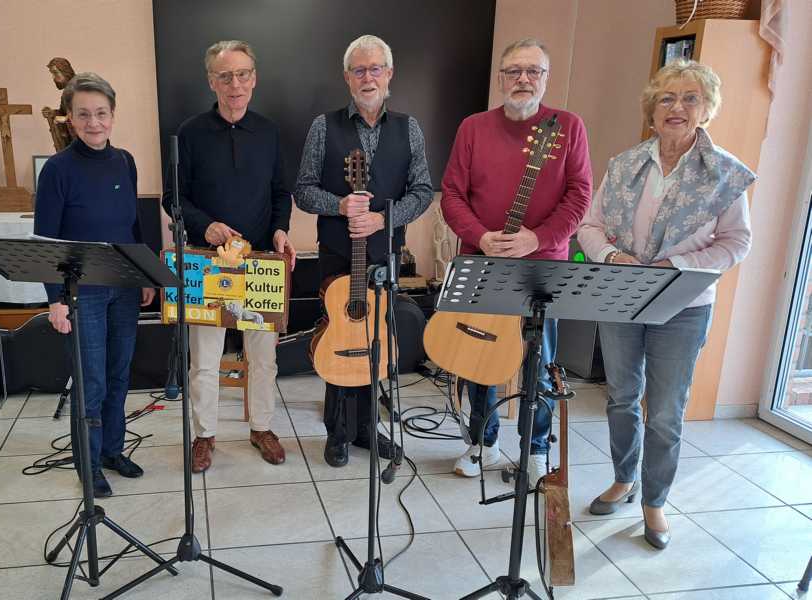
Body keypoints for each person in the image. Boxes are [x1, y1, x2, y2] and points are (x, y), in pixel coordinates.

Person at [577, 59, 754, 549]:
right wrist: (612, 256)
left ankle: (654, 501)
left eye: (690, 98)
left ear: (707, 109)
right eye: (666, 98)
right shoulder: (624, 165)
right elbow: (589, 227)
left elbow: (736, 242)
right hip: (621, 296)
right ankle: (623, 479)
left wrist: (675, 265)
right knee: (621, 396)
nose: (677, 107)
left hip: (684, 305)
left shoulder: (724, 174)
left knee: (665, 412)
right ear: (651, 110)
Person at [441, 38, 592, 481]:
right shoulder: (473, 127)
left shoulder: (568, 126)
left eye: (533, 71)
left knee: (538, 363)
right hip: (482, 261)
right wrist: (480, 237)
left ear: (546, 78)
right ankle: (482, 443)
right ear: (501, 78)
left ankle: (536, 449)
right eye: (513, 71)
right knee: (479, 358)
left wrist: (537, 238)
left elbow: (580, 195)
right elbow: (451, 194)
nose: (523, 79)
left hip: (542, 265)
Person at [295, 34, 433, 467]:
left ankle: (367, 428)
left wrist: (382, 219)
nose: (367, 77)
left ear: (389, 74)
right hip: (338, 254)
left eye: (375, 69)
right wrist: (339, 205)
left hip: (385, 254)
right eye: (359, 70)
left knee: (375, 341)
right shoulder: (323, 126)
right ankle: (337, 432)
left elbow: (422, 192)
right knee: (340, 335)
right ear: (347, 77)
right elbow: (303, 191)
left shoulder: (409, 128)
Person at [163, 40, 295, 473]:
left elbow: (280, 192)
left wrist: (280, 229)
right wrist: (205, 226)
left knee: (264, 358)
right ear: (211, 82)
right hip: (206, 261)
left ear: (253, 79)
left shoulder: (270, 132)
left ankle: (262, 427)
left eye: (242, 75)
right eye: (225, 76)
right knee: (204, 360)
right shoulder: (189, 133)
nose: (234, 84)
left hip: (260, 263)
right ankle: (204, 434)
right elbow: (173, 198)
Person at [35, 72, 155, 497]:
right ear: (69, 118)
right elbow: (46, 240)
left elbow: (132, 225)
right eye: (83, 114)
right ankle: (88, 465)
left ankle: (111, 451)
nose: (94, 122)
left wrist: (143, 274)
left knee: (119, 375)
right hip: (81, 292)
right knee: (92, 382)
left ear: (113, 115)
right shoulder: (57, 170)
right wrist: (55, 300)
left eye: (101, 113)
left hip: (123, 285)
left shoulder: (125, 161)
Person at [42, 57, 77, 152]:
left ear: (65, 72)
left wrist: (66, 118)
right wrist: (52, 113)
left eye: (55, 73)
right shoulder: (67, 91)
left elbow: (87, 111)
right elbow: (63, 112)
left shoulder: (80, 87)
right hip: (73, 141)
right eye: (52, 74)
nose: (54, 78)